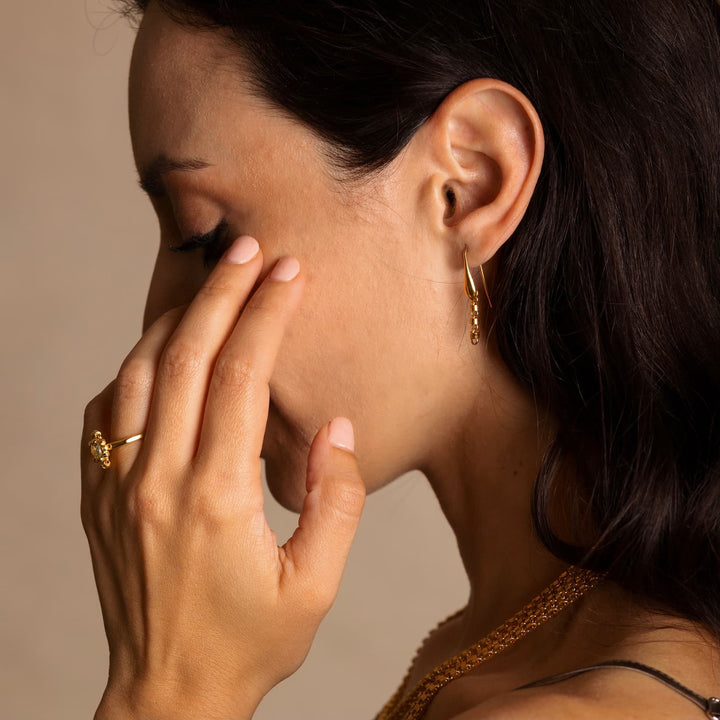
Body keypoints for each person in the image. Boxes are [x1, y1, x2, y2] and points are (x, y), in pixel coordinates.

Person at [80, 0, 720, 717]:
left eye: (207, 236)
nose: (162, 322)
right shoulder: (509, 648)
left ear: (470, 182)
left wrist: (170, 687)